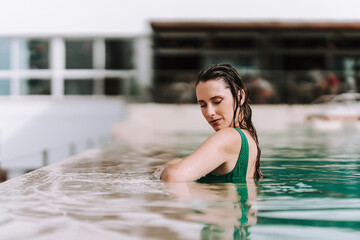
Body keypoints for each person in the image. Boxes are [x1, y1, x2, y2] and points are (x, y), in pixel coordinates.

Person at [153, 64, 263, 182]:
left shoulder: (228, 137)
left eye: (217, 101)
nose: (209, 112)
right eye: (202, 105)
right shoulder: (247, 137)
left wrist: (164, 170)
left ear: (240, 97)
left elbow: (173, 176)